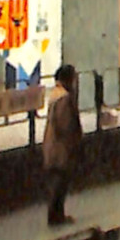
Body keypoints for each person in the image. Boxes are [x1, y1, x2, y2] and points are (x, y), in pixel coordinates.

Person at [42, 64, 83, 224]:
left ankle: (55, 214)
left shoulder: (55, 94)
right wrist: (74, 141)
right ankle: (56, 215)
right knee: (60, 182)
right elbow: (66, 124)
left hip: (52, 144)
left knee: (57, 181)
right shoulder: (64, 98)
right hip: (60, 148)